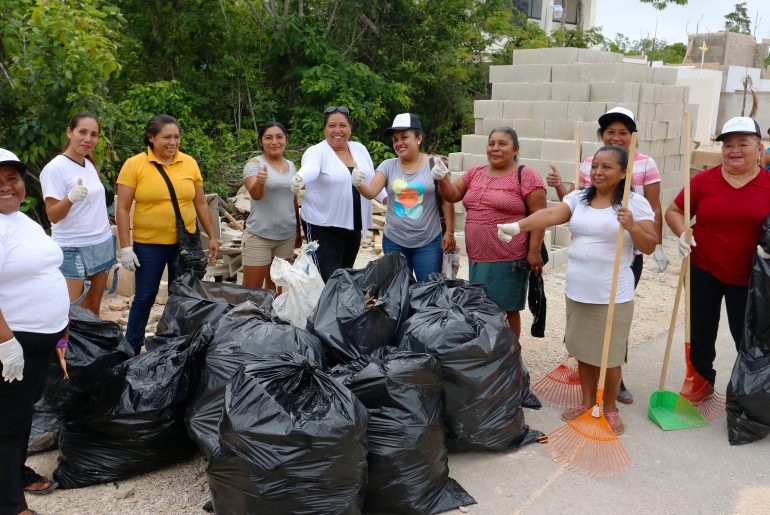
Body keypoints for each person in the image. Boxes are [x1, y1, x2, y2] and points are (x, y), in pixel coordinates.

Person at [498, 146, 657, 434]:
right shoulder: (578, 200)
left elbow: (650, 244)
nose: (598, 172)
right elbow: (548, 215)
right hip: (579, 289)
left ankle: (609, 408)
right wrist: (517, 226)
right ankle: (586, 403)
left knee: (609, 357)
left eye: (607, 167)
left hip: (613, 294)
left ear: (624, 173)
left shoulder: (634, 203)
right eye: (595, 166)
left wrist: (632, 226)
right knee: (583, 352)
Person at [545, 106, 665, 404]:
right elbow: (576, 200)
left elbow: (653, 206)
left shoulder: (645, 163)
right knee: (588, 338)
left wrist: (653, 241)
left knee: (611, 328)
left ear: (631, 137)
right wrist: (561, 188)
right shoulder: (591, 162)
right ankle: (590, 398)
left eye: (622, 133)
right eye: (610, 132)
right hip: (588, 257)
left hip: (626, 252)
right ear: (601, 135)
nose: (616, 137)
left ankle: (613, 390)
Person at [665, 116, 770, 399]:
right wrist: (682, 233)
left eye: (743, 144)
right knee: (700, 328)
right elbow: (674, 211)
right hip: (703, 268)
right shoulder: (703, 180)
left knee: (748, 336)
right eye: (727, 145)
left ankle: (749, 389)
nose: (734, 150)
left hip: (750, 277)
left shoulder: (768, 185)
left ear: (760, 149)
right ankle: (700, 380)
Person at [0, 149, 71, 515]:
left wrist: (60, 336)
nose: (6, 187)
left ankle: (15, 473)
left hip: (41, 340)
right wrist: (6, 343)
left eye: (11, 179)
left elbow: (47, 274)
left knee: (22, 412)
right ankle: (9, 504)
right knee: (9, 422)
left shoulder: (24, 220)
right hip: (12, 343)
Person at [116, 115, 220, 354]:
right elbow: (122, 208)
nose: (173, 142)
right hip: (149, 244)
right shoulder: (135, 165)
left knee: (184, 294)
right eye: (166, 137)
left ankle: (176, 344)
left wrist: (212, 236)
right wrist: (125, 247)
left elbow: (201, 203)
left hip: (186, 243)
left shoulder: (189, 163)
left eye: (176, 137)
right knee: (144, 296)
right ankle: (131, 346)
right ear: (151, 138)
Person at [435, 127, 546, 338]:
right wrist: (442, 179)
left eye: (502, 144)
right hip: (479, 257)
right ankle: (491, 353)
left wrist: (533, 251)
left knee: (507, 308)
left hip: (508, 257)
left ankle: (511, 354)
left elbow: (540, 216)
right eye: (491, 143)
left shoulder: (526, 175)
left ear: (516, 149)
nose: (495, 148)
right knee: (483, 307)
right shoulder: (475, 173)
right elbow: (452, 194)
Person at [353, 113, 455, 281]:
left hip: (428, 243)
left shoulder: (434, 164)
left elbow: (447, 200)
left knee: (427, 292)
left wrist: (450, 233)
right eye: (395, 139)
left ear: (418, 138)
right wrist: (358, 183)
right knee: (398, 292)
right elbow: (371, 191)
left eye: (404, 137)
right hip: (394, 241)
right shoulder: (388, 166)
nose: (399, 143)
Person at [290, 106, 381, 281]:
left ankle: (339, 307)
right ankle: (326, 307)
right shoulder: (317, 151)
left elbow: (372, 178)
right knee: (330, 277)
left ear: (350, 128)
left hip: (352, 225)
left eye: (342, 125)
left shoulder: (359, 149)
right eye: (332, 126)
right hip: (323, 226)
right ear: (324, 129)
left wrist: (387, 198)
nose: (337, 130)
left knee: (346, 275)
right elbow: (311, 168)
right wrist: (300, 178)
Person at [40, 113, 116, 316]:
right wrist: (70, 199)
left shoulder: (89, 163)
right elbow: (53, 215)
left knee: (93, 309)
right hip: (72, 248)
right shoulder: (55, 168)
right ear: (69, 132)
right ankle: (65, 349)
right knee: (70, 313)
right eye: (82, 132)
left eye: (94, 134)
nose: (88, 139)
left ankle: (90, 348)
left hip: (101, 243)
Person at [241, 121, 302, 290]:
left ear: (286, 140)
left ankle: (273, 318)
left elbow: (293, 199)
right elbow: (256, 194)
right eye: (268, 138)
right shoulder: (254, 164)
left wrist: (297, 231)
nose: (274, 142)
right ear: (261, 141)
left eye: (279, 137)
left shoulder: (291, 165)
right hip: (259, 237)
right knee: (251, 291)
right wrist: (260, 182)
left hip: (286, 237)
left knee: (278, 290)